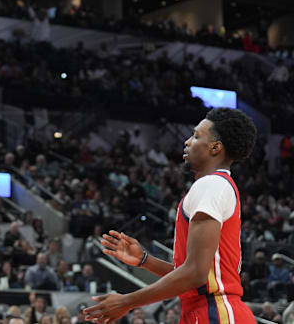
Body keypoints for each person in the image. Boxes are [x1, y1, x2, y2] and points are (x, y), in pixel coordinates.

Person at [84, 108, 257, 324]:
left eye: (195, 136)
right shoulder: (214, 186)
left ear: (215, 147)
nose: (186, 142)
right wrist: (145, 260)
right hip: (206, 309)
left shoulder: (212, 185)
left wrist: (126, 301)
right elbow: (194, 277)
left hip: (216, 312)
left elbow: (195, 274)